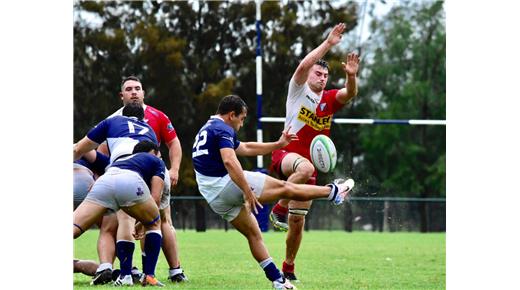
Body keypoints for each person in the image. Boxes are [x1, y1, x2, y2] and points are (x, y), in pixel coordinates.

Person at [192, 95, 355, 290]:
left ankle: (278, 280)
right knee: (287, 188)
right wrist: (246, 190)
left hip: (213, 195)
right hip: (226, 183)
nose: (242, 124)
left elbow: (245, 147)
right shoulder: (223, 128)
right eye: (242, 119)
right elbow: (229, 160)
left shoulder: (209, 127)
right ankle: (333, 192)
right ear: (231, 115)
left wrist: (278, 145)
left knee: (254, 234)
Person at [268, 23, 360, 282]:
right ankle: (278, 208)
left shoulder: (329, 99)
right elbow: (300, 67)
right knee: (305, 168)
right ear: (309, 75)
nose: (321, 78)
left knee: (298, 222)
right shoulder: (298, 90)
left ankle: (288, 266)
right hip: (286, 156)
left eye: (325, 76)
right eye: (317, 73)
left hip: (308, 165)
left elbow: (350, 93)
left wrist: (351, 75)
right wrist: (329, 43)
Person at [101, 75, 187, 282]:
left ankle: (175, 270)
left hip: (153, 174)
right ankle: (132, 271)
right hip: (127, 175)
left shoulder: (158, 116)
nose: (133, 92)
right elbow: (103, 151)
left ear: (143, 92)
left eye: (137, 88)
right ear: (121, 95)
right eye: (129, 89)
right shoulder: (112, 120)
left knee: (162, 219)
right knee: (128, 218)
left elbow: (174, 143)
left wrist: (174, 169)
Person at [74, 103, 160, 284]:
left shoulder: (112, 122)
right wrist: (143, 221)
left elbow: (78, 149)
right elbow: (156, 199)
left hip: (107, 177)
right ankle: (142, 275)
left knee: (77, 227)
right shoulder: (150, 135)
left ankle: (115, 270)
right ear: (143, 119)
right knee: (150, 222)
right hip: (133, 181)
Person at [73, 150, 119, 282]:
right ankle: (110, 267)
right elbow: (112, 167)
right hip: (85, 183)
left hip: (81, 179)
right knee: (109, 230)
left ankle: (106, 268)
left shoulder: (84, 150)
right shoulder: (85, 152)